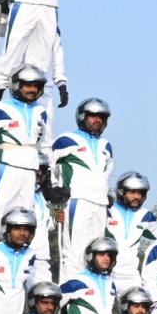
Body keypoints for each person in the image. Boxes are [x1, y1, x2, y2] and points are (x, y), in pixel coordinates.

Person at [0, 64, 54, 243]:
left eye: (36, 85)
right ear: (17, 85)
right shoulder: (0, 108)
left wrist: (51, 181)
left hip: (30, 171)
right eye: (27, 85)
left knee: (23, 222)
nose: (32, 89)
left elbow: (47, 146)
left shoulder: (41, 111)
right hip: (6, 169)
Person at [47, 97, 116, 258]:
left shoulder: (106, 145)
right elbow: (47, 163)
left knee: (96, 253)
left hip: (100, 204)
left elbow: (107, 173)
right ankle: (69, 283)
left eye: (102, 117)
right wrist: (53, 190)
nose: (98, 120)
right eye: (93, 116)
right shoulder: (66, 140)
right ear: (82, 117)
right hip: (77, 201)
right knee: (74, 254)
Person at [59, 235, 121, 314]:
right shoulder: (76, 281)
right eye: (101, 254)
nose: (106, 258)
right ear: (91, 256)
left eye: (109, 255)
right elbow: (53, 303)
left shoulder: (111, 284)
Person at [106, 173, 156, 293]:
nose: (137, 196)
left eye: (141, 193)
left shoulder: (146, 216)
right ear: (122, 192)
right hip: (107, 276)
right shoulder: (107, 211)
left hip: (132, 279)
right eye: (133, 192)